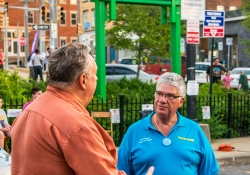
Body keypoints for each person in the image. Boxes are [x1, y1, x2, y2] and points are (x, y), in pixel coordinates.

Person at [10, 42, 153, 175]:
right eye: (95, 73)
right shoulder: (76, 125)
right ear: (83, 80)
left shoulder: (29, 111)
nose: (96, 79)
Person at [117, 72, 219, 175]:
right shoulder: (134, 131)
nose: (162, 100)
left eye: (170, 96)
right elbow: (120, 171)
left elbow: (210, 171)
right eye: (159, 94)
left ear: (181, 101)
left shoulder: (194, 130)